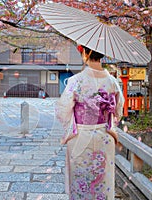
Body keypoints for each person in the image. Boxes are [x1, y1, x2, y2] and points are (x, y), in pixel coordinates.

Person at [55, 45, 124, 199]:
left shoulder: (75, 80)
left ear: (85, 53)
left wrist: (71, 124)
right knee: (103, 182)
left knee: (80, 181)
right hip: (104, 136)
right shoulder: (112, 82)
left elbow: (63, 111)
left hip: (80, 135)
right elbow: (118, 109)